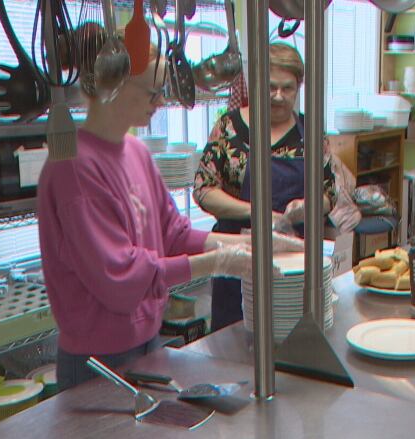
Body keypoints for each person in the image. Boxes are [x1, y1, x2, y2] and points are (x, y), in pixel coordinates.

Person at [37, 38, 302, 391]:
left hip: (146, 340)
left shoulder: (135, 151)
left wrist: (249, 241)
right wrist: (219, 263)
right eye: (152, 92)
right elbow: (121, 279)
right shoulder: (72, 166)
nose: (161, 102)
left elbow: (173, 233)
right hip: (98, 358)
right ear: (113, 88)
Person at [193, 43, 342, 332]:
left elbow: (329, 194)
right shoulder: (229, 127)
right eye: (271, 87)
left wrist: (306, 208)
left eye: (288, 88)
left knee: (294, 336)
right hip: (236, 257)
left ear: (299, 86)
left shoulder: (310, 132)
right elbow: (204, 189)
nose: (279, 96)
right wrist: (257, 212)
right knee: (235, 342)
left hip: (296, 263)